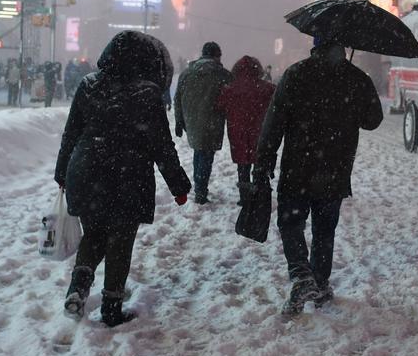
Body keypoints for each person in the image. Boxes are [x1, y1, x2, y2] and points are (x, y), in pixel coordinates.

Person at [54, 31, 191, 326]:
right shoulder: (147, 93)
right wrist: (178, 185)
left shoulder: (88, 85)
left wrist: (62, 171)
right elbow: (161, 145)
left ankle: (78, 287)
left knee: (94, 234)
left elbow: (71, 132)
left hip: (87, 172)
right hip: (128, 177)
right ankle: (111, 308)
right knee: (120, 240)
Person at [254, 35, 383, 315]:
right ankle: (321, 284)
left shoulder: (296, 74)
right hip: (336, 169)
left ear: (315, 45)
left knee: (291, 223)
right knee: (325, 229)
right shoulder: (356, 78)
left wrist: (263, 161)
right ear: (342, 46)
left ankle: (301, 276)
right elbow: (373, 121)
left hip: (297, 167)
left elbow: (274, 121)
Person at [173, 41, 232, 204]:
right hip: (213, 120)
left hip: (191, 121)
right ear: (217, 55)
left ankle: (199, 187)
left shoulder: (186, 73)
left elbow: (177, 97)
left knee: (199, 152)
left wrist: (179, 120)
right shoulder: (223, 74)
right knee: (206, 155)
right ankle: (200, 190)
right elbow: (233, 97)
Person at [216, 56, 276, 205]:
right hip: (259, 131)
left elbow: (220, 106)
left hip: (238, 132)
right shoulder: (268, 88)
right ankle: (258, 193)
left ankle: (245, 197)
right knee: (259, 163)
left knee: (242, 165)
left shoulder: (229, 89)